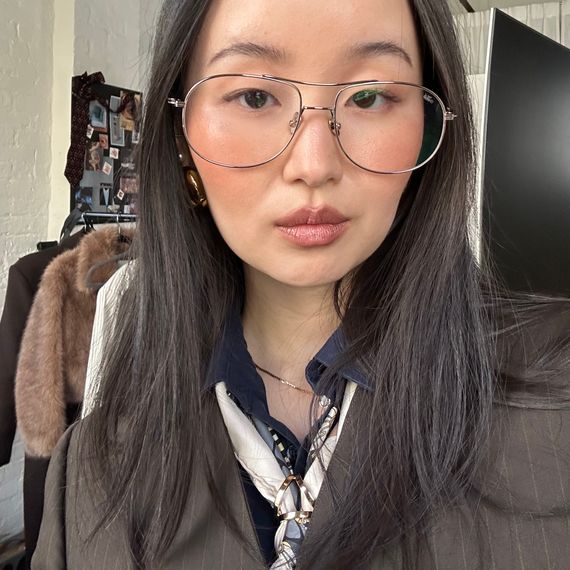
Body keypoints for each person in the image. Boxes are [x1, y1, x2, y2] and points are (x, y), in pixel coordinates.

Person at [33, 0, 570, 568]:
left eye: (369, 96)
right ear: (181, 134)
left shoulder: (556, 404)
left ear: (427, 124)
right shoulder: (89, 476)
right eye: (254, 97)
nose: (314, 165)